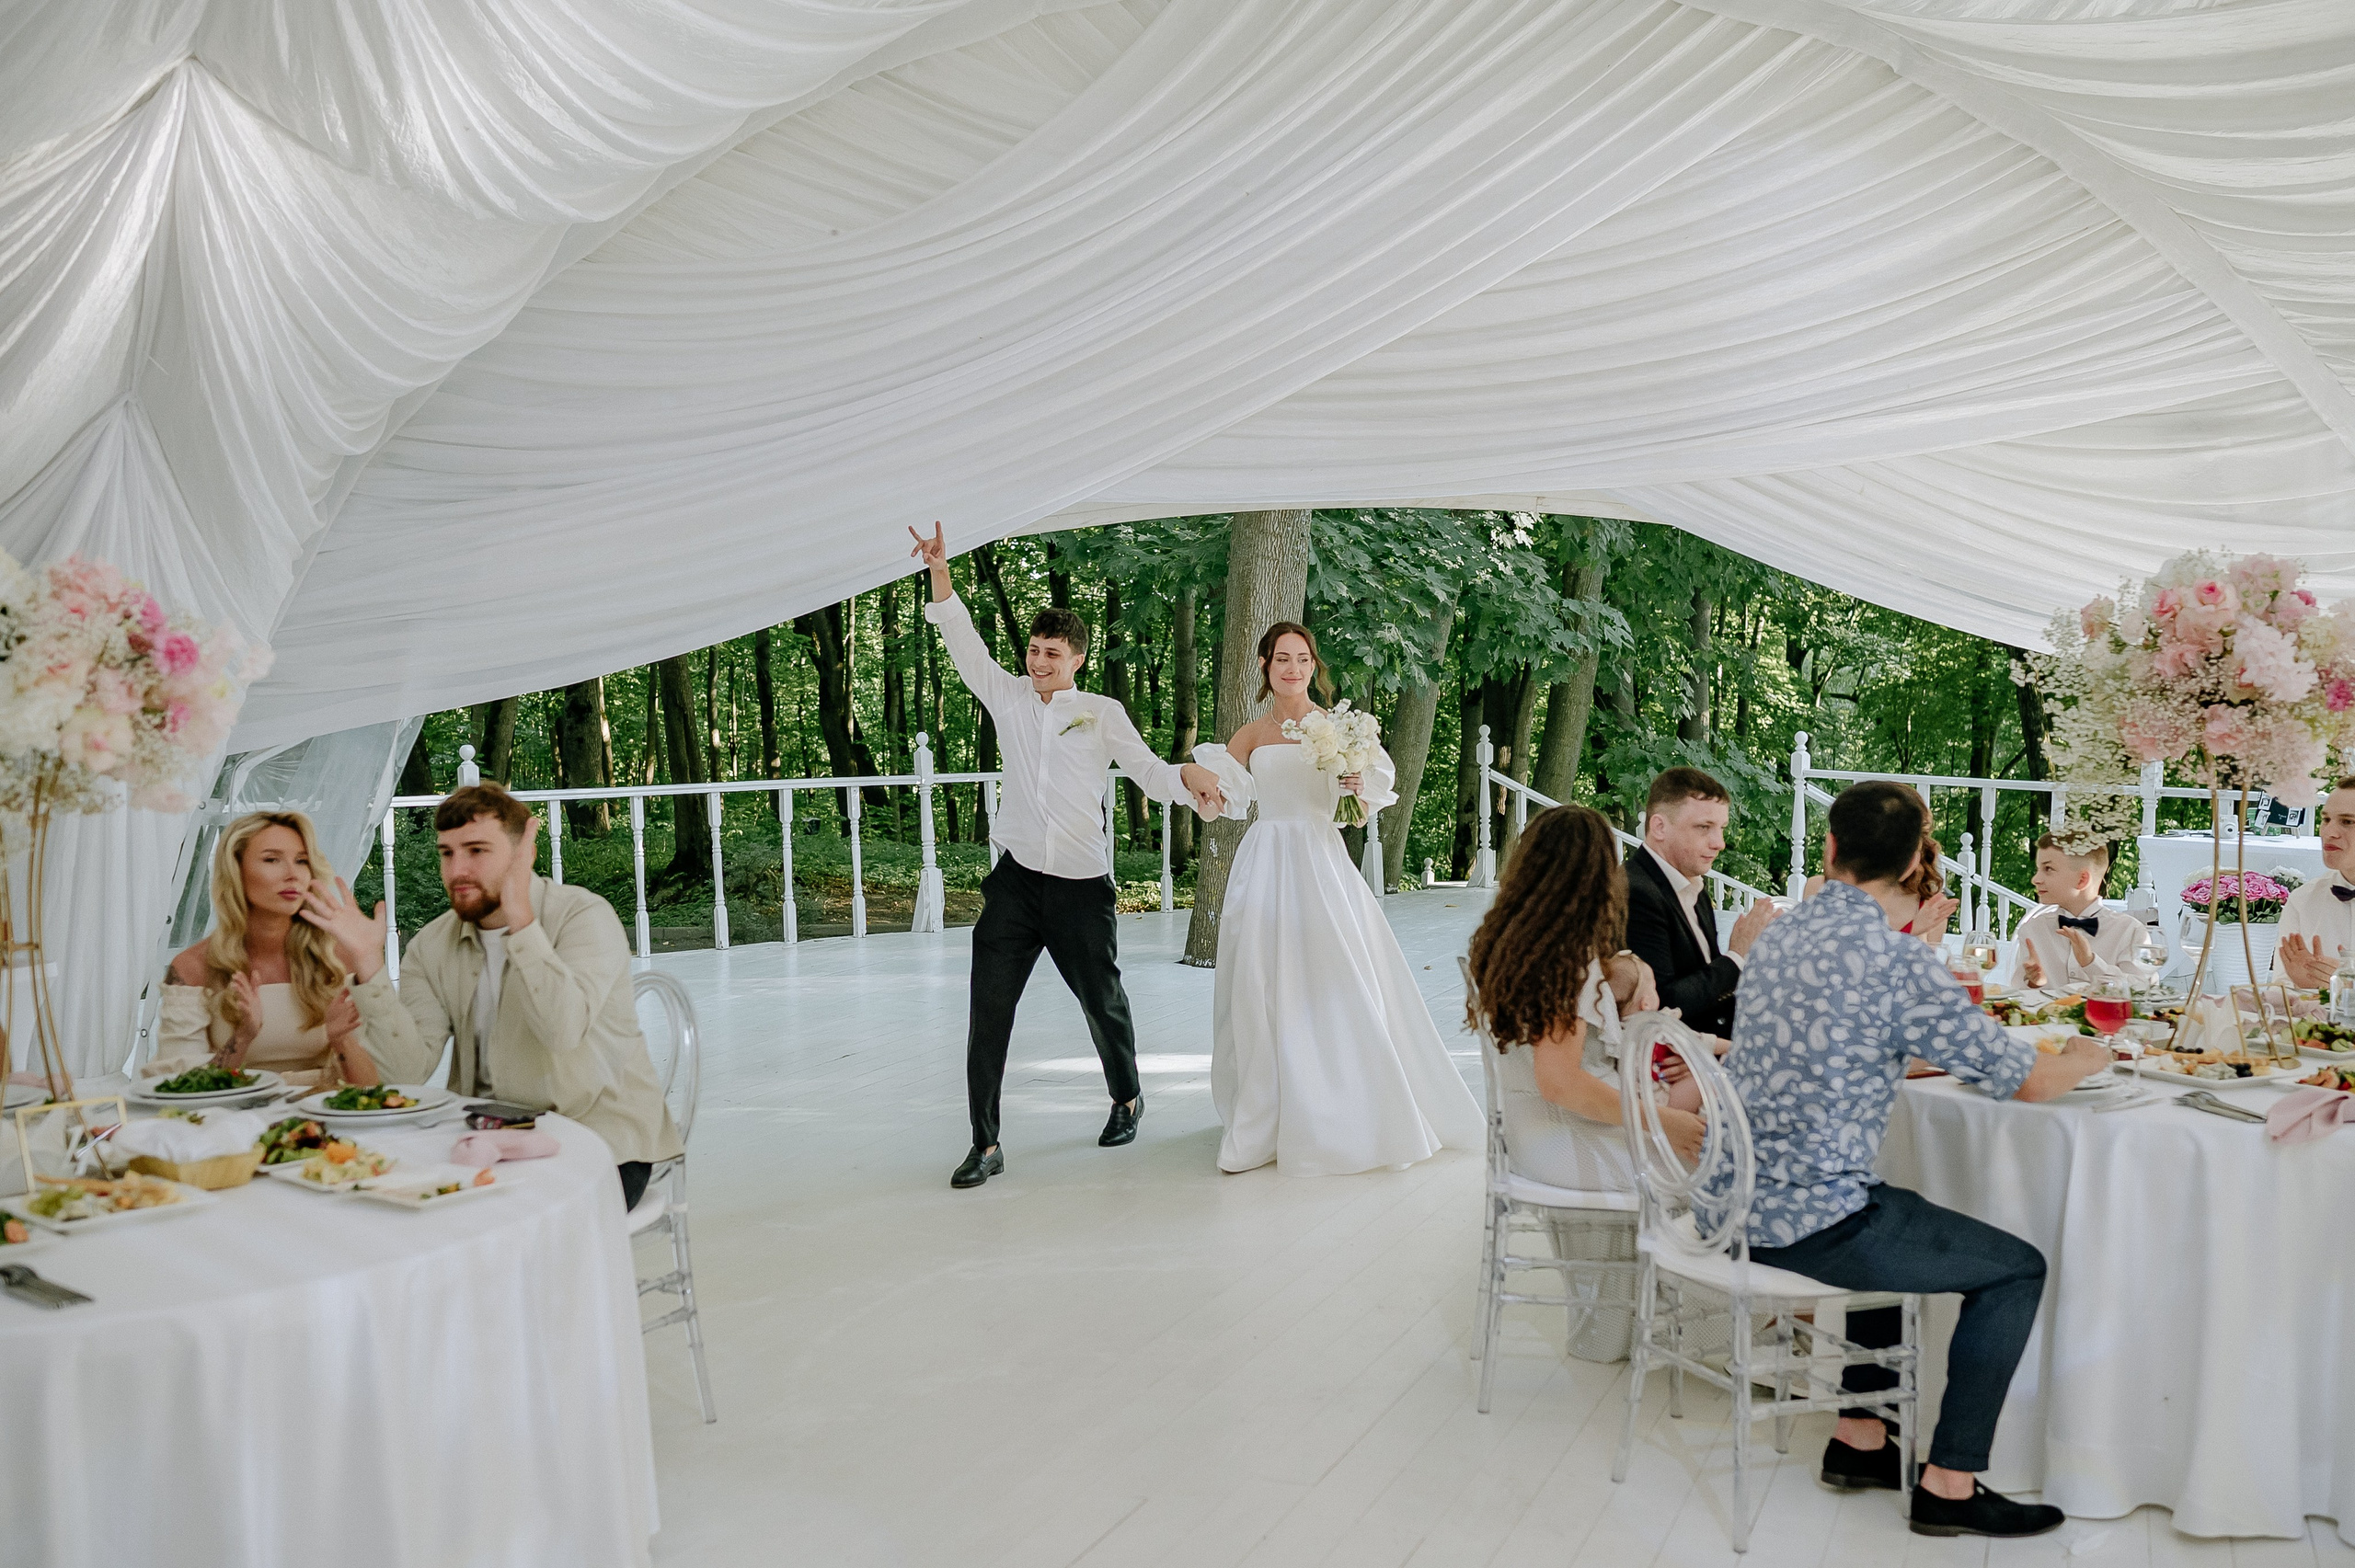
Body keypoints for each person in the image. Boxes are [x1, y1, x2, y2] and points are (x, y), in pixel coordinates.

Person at [1709, 781, 2108, 1539]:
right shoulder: (1895, 963)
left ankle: (1860, 1436)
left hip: (1730, 1198)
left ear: (1831, 848)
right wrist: (2089, 1056)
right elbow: (2026, 1079)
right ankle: (1950, 1484)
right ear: (1914, 864)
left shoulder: (1775, 937)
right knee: (2015, 1268)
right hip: (1810, 1223)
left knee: (1894, 1205)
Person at [910, 523, 1228, 1189]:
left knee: (1101, 999)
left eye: (1051, 653)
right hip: (1015, 884)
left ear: (1076, 658)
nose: (1037, 662)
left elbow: (1147, 771)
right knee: (988, 1011)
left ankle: (1127, 1096)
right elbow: (963, 641)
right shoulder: (1007, 697)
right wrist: (941, 573)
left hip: (1082, 887)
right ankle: (985, 1143)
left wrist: (1189, 777)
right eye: (1032, 650)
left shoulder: (1102, 712)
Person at [301, 782, 682, 1210]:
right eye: (447, 853)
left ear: (523, 854)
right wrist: (369, 965)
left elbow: (562, 1030)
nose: (457, 869)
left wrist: (521, 922)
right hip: (484, 1138)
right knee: (380, 1201)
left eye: (476, 850)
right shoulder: (430, 946)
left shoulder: (583, 916)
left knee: (490, 1216)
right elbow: (406, 1075)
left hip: (601, 1141)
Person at [1191, 624, 1484, 1174]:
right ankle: (1268, 1113)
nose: (1293, 668)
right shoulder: (1249, 735)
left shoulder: (1340, 728)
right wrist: (1195, 784)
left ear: (1313, 665)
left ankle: (1343, 1107)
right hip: (1265, 859)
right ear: (1265, 665)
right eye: (1282, 658)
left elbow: (1365, 803)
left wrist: (1355, 791)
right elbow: (1222, 800)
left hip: (1320, 857)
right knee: (1260, 978)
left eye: (1303, 658)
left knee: (1333, 972)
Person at [1465, 804, 1703, 1190]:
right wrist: (1663, 1122)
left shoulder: (1507, 946)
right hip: (1567, 1139)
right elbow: (1559, 1083)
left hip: (1529, 1132)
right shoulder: (1566, 963)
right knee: (1734, 1155)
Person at [147, 811, 383, 1092]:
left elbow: (374, 1087)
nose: (292, 874)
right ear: (236, 870)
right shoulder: (193, 967)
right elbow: (180, 1090)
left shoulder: (339, 959)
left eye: (301, 861)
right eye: (272, 860)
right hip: (229, 1113)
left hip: (324, 1111)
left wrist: (341, 1041)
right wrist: (242, 1037)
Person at [1623, 768, 1780, 1037]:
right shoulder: (1635, 892)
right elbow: (1661, 1003)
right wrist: (1736, 956)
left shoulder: (1693, 885)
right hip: (1674, 1053)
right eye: (1704, 827)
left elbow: (1710, 983)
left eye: (1722, 828)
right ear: (1659, 827)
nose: (1719, 843)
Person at [2011, 834, 2138, 990]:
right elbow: (2017, 994)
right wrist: (2033, 982)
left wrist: (2091, 963)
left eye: (2048, 869)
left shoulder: (2129, 931)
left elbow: (2140, 991)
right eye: (2038, 869)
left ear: (2082, 880)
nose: (2035, 879)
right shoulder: (2032, 929)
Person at [2276, 775, 2355, 990]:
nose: (2329, 832)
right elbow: (2280, 991)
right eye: (2326, 819)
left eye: (2347, 822)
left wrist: (2347, 986)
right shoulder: (2303, 900)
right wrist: (2301, 984)